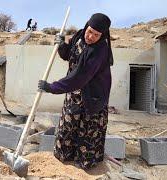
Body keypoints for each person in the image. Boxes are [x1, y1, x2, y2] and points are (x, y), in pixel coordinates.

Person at [38, 13, 113, 169]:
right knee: (68, 127)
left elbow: (79, 77)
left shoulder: (100, 51)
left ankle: (84, 165)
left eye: (96, 35)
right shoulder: (79, 35)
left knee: (87, 132)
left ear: (103, 35)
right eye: (90, 31)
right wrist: (61, 45)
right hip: (74, 94)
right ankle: (66, 158)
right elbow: (68, 55)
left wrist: (52, 87)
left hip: (92, 96)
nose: (91, 37)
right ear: (87, 26)